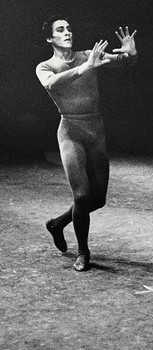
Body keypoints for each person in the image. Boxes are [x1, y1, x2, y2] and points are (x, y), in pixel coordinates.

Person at [36, 15, 138, 271]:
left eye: (69, 28)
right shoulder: (45, 66)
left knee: (98, 199)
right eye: (60, 30)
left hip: (96, 130)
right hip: (71, 131)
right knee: (81, 195)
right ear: (50, 38)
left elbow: (124, 62)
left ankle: (58, 223)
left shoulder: (87, 55)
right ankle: (83, 251)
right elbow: (53, 84)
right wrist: (86, 67)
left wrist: (131, 54)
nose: (67, 32)